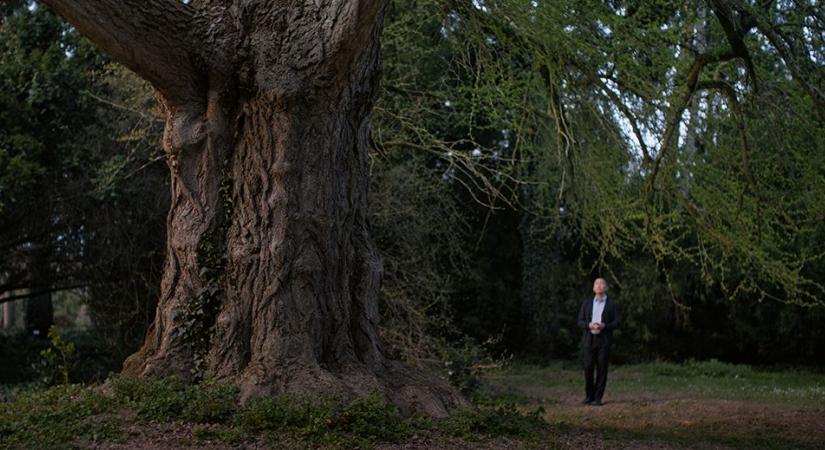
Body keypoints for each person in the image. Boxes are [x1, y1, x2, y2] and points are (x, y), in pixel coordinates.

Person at [577, 278, 620, 406]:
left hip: (604, 340)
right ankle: (589, 396)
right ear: (593, 288)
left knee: (602, 369)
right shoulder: (587, 303)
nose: (599, 285)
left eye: (602, 284)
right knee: (588, 368)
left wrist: (604, 326)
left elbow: (617, 322)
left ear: (606, 288)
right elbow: (579, 321)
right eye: (596, 283)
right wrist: (589, 325)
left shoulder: (612, 304)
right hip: (589, 340)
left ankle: (598, 397)